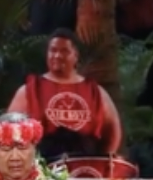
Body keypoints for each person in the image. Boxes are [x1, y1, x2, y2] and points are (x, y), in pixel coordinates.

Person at [7, 29, 122, 163]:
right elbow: (9, 128)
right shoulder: (29, 89)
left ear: (76, 56)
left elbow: (113, 130)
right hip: (44, 161)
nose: (57, 55)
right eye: (53, 50)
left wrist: (104, 161)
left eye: (64, 51)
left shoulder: (95, 91)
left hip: (86, 162)